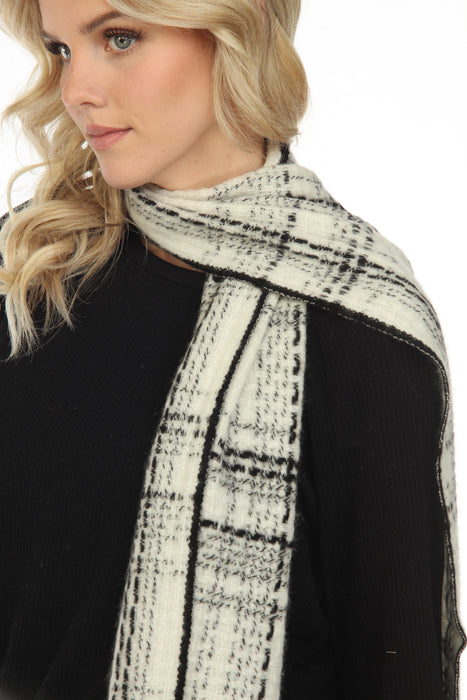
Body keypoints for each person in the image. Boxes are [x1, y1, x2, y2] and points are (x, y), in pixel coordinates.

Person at [0, 0, 465, 698]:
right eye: (61, 49)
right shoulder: (30, 267)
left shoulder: (356, 326)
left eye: (119, 38)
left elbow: (398, 671)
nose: (75, 90)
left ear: (235, 32)